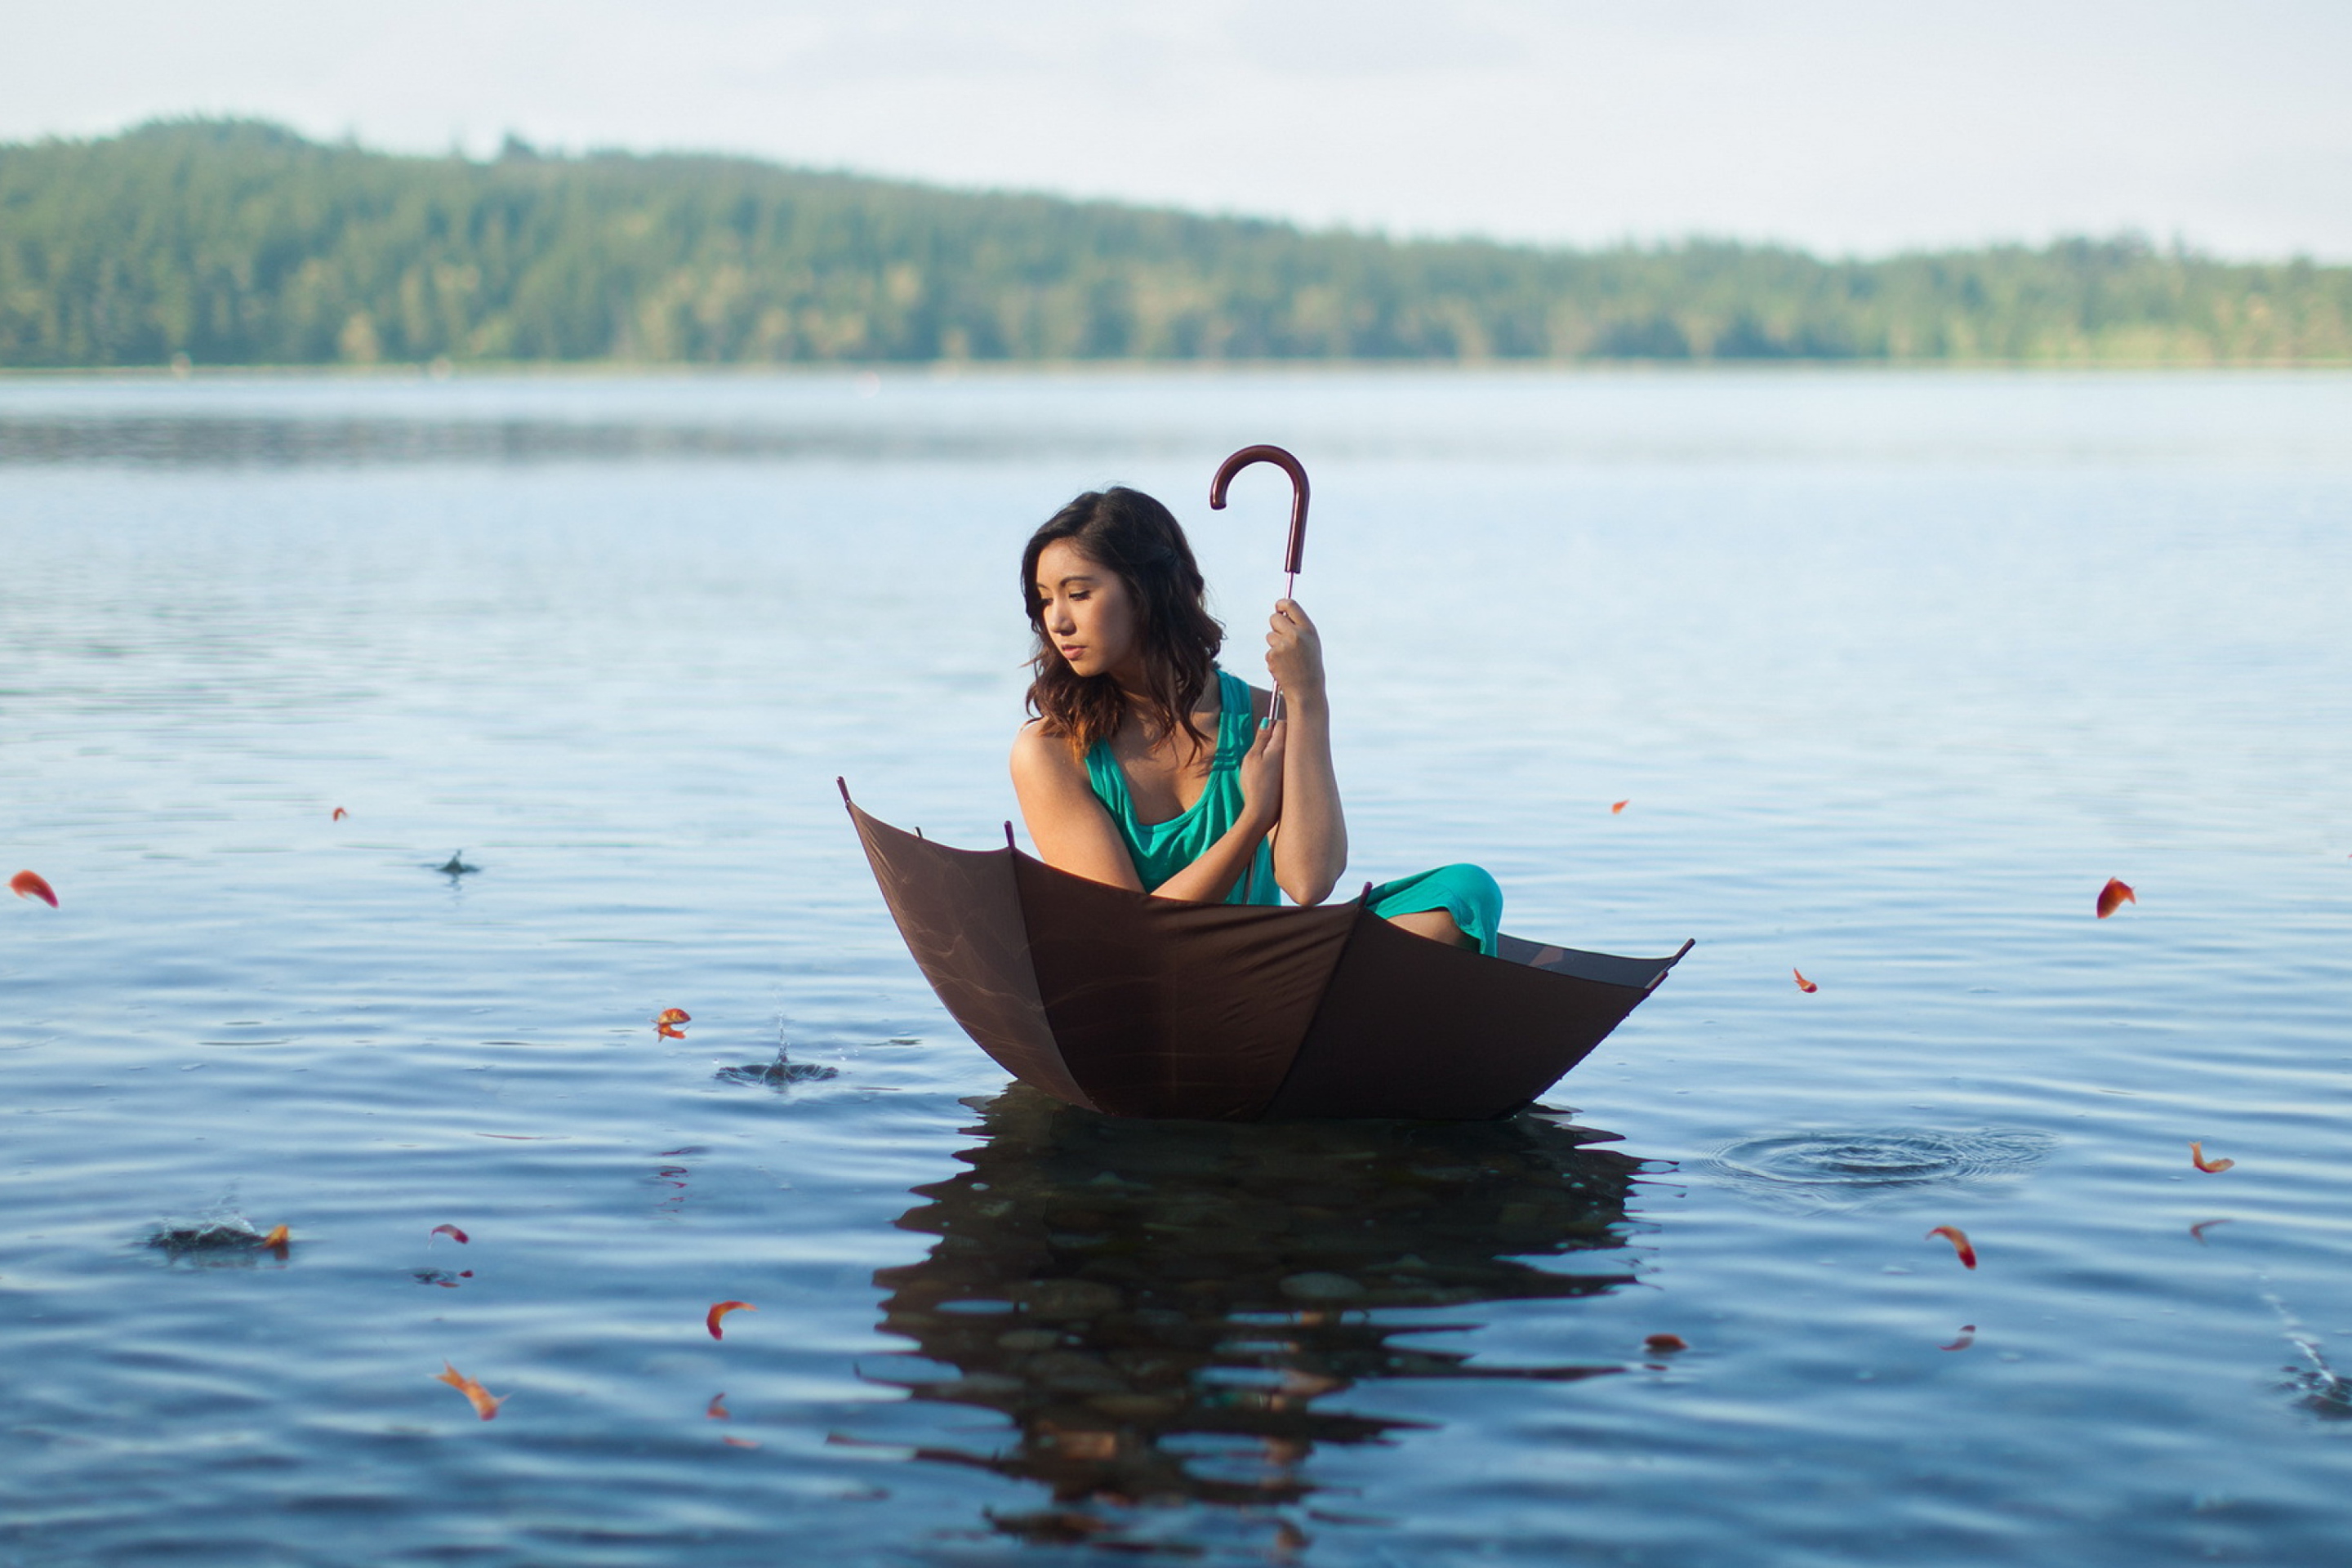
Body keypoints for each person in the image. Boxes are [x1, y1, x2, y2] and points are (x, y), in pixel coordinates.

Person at [1009, 485, 1503, 952]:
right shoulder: (1052, 750)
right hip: (1149, 987)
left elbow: (1309, 883)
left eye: (1078, 593)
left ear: (1146, 592)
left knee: (1463, 892)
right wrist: (1252, 821)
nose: (1057, 620)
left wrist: (1310, 698)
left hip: (1263, 971)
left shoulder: (1267, 716)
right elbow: (1132, 934)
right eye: (1046, 598)